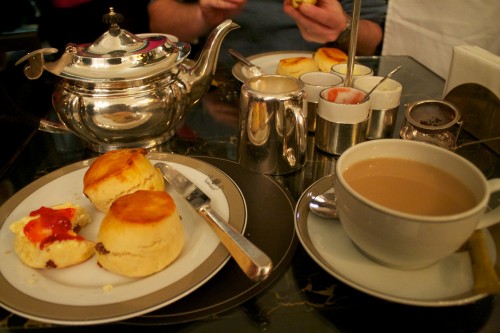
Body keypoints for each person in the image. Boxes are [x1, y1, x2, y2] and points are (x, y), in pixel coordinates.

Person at [147, 0, 387, 66]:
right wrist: (202, 15)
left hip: (318, 86)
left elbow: (372, 40)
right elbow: (161, 24)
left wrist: (342, 28)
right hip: (217, 88)